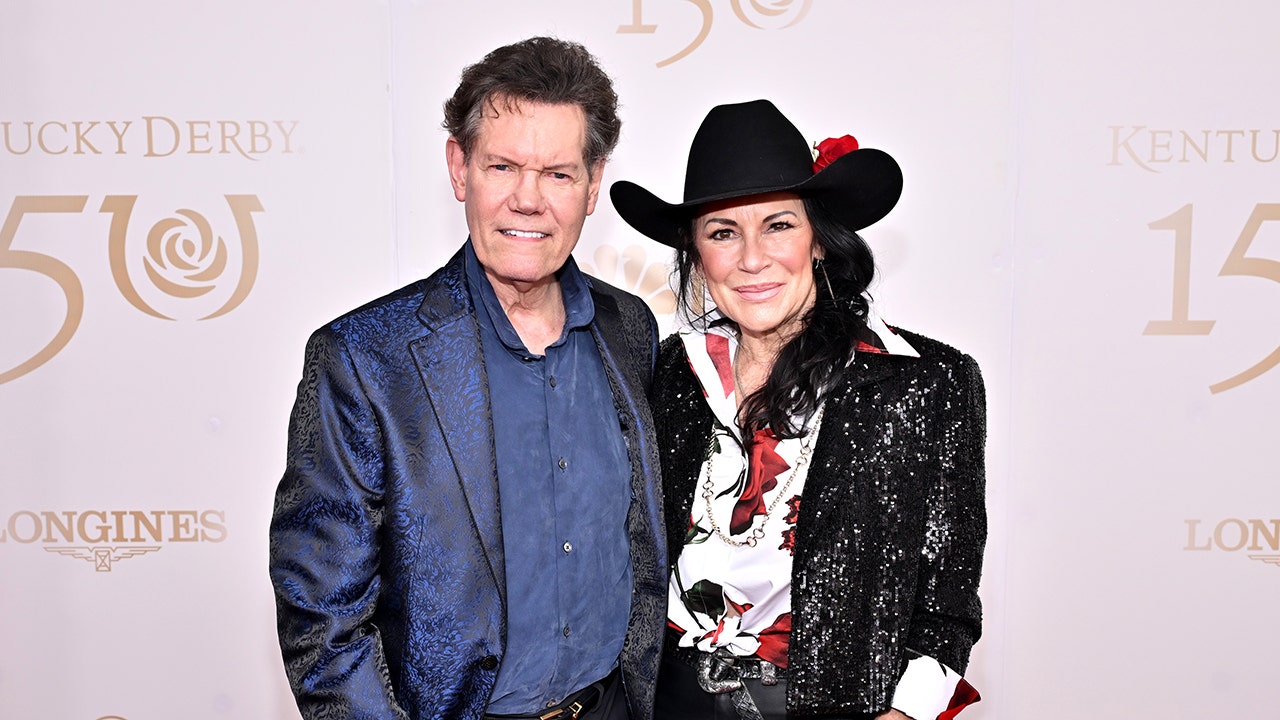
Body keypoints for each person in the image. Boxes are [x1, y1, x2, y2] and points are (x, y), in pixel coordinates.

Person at [269, 37, 666, 720]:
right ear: (460, 167)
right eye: (503, 166)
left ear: (594, 181)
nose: (527, 200)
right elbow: (323, 619)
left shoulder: (628, 328)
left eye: (559, 174)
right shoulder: (366, 358)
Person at [609, 99, 986, 720]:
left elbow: (947, 601)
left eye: (778, 225)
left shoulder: (927, 384)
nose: (752, 258)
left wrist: (906, 714)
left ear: (818, 239)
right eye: (722, 232)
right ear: (697, 253)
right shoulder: (666, 371)